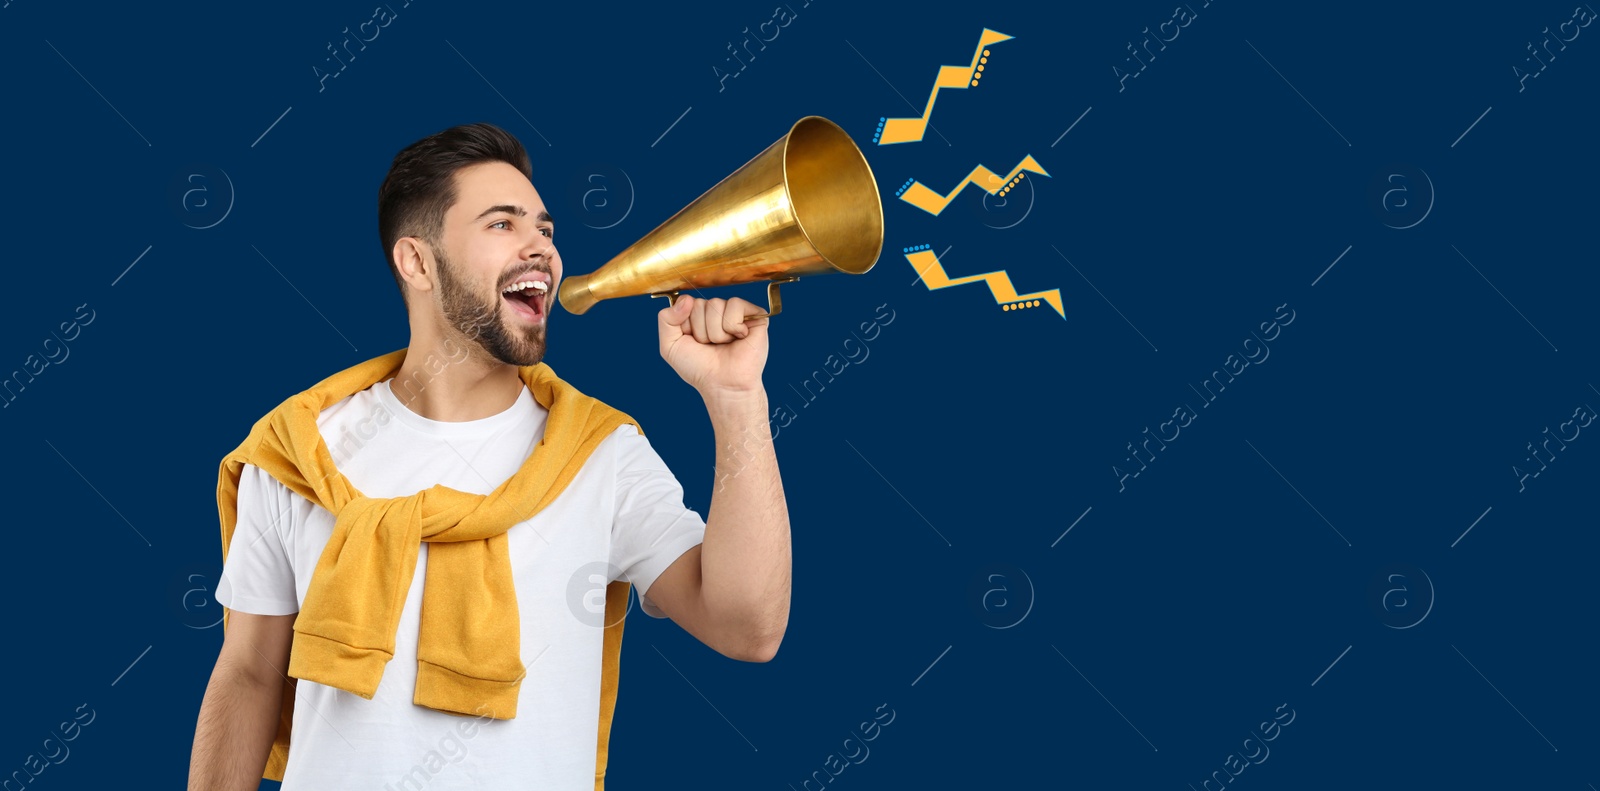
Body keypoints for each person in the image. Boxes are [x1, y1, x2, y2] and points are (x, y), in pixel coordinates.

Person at [188, 123, 791, 790]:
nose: (541, 247)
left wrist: (737, 399)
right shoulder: (299, 451)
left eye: (546, 229)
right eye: (502, 225)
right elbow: (247, 674)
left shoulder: (600, 454)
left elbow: (748, 627)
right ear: (416, 262)